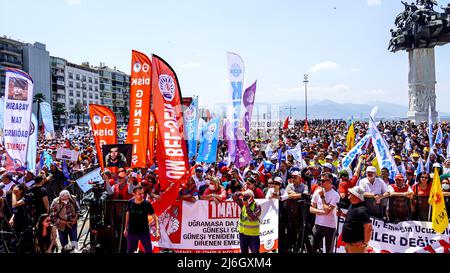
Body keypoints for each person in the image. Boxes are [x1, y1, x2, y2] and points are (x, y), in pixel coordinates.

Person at [309, 173, 340, 253]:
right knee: (311, 248)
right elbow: (311, 209)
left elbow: (328, 210)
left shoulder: (335, 195)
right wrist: (322, 212)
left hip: (330, 227)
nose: (321, 182)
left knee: (328, 250)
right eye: (320, 180)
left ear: (330, 181)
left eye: (323, 180)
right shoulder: (317, 192)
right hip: (318, 225)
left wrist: (322, 197)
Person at [123, 185, 159, 253]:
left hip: (144, 232)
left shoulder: (147, 204)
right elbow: (127, 214)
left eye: (143, 193)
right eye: (140, 194)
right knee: (129, 251)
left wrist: (157, 230)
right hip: (132, 231)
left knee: (148, 251)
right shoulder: (130, 202)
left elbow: (155, 217)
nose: (142, 195)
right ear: (134, 194)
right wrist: (125, 228)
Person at [341, 186, 373, 253]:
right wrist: (342, 214)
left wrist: (365, 243)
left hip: (357, 245)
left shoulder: (362, 210)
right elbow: (352, 218)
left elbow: (369, 227)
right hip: (349, 243)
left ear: (356, 195)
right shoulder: (352, 205)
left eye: (351, 192)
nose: (348, 193)